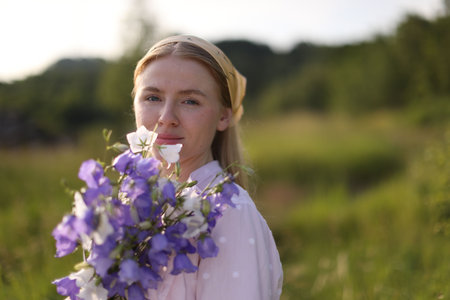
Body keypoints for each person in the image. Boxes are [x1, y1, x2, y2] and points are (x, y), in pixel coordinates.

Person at [132, 35, 283, 300]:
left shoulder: (228, 212)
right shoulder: (133, 201)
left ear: (223, 116)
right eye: (153, 97)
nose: (166, 118)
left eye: (190, 101)